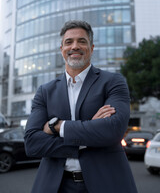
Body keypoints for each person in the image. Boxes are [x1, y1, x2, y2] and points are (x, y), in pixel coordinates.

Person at [24, 20, 138, 193]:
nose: (75, 46)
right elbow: (32, 143)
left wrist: (57, 126)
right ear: (61, 49)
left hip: (107, 183)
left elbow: (113, 130)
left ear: (91, 48)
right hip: (55, 186)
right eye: (69, 42)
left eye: (82, 41)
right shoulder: (45, 91)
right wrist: (89, 135)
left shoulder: (113, 82)